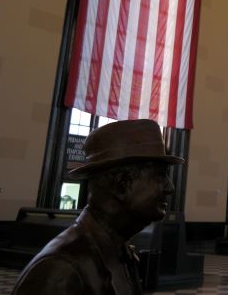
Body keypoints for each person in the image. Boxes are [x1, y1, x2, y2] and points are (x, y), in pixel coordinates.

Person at [12, 119, 184, 295]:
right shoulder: (60, 269)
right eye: (160, 175)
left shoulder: (119, 253)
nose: (170, 187)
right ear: (122, 184)